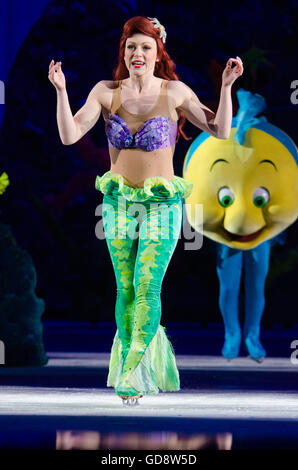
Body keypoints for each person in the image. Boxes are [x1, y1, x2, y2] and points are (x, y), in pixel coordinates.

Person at [48, 16, 243, 406]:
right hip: (118, 201)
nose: (137, 54)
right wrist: (61, 90)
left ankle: (132, 369)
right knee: (125, 288)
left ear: (158, 53)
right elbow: (70, 135)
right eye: (131, 47)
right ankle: (130, 368)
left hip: (162, 205)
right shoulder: (106, 92)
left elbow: (221, 130)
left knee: (148, 285)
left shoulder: (174, 92)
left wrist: (225, 86)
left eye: (146, 47)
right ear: (124, 51)